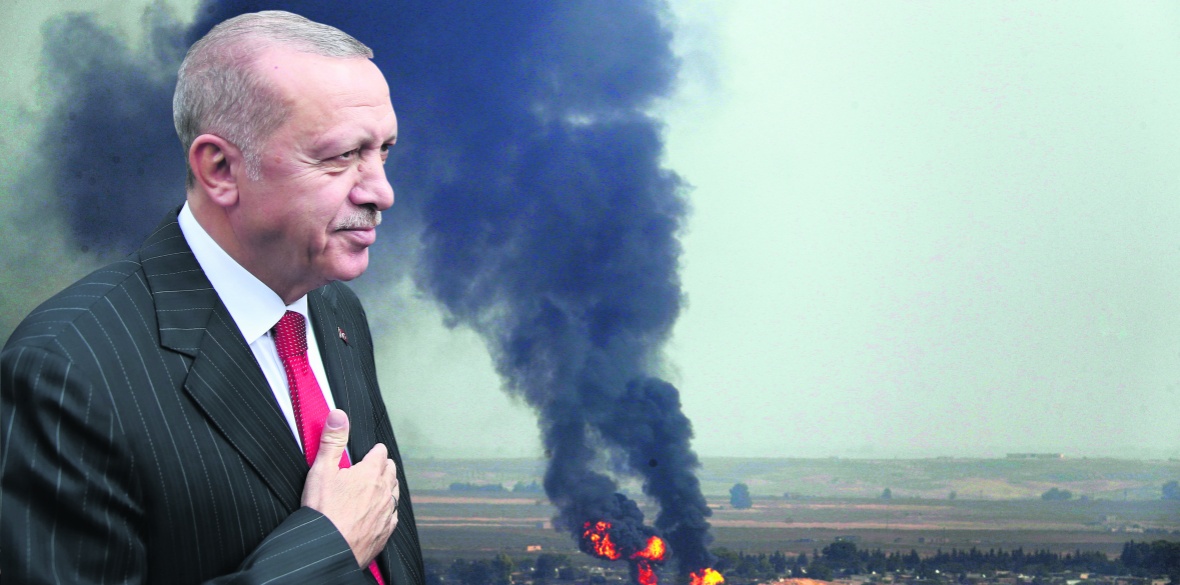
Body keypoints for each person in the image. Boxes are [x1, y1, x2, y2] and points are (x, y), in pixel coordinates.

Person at [1, 10, 424, 585]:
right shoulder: (66, 369)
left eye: (383, 151)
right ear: (220, 168)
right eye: (341, 156)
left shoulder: (333, 308)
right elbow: (349, 538)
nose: (382, 191)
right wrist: (323, 550)